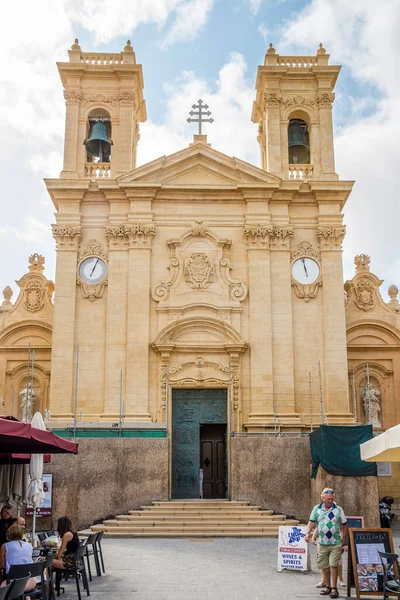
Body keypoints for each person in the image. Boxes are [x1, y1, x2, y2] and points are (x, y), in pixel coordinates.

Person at [304, 488, 348, 599]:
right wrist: (308, 533)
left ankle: (334, 588)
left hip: (335, 543)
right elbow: (311, 522)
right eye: (328, 499)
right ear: (323, 498)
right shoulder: (317, 509)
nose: (330, 501)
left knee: (333, 565)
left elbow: (344, 524)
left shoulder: (338, 509)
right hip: (322, 542)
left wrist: (344, 539)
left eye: (332, 499)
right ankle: (327, 586)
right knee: (324, 566)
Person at [0, 524, 37, 592]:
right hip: (31, 581)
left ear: (8, 534)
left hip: (13, 583)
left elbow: (2, 565)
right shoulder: (29, 545)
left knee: (2, 589)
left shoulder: (5, 546)